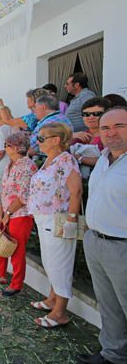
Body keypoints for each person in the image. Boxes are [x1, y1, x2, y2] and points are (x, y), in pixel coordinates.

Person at [77, 106, 127, 364]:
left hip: (122, 248)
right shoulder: (104, 159)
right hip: (96, 241)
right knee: (109, 307)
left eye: (120, 126)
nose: (112, 132)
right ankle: (113, 355)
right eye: (106, 127)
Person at [27, 123, 82, 328]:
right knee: (50, 262)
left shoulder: (66, 160)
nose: (37, 142)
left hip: (58, 218)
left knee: (60, 264)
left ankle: (60, 312)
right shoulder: (50, 160)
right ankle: (52, 299)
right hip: (44, 218)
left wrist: (71, 220)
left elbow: (76, 191)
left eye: (41, 138)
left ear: (56, 140)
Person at [0, 132, 37, 297]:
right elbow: (5, 189)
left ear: (15, 148)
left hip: (20, 214)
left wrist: (7, 212)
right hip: (8, 211)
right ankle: (0, 272)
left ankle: (16, 284)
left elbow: (23, 196)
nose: (4, 148)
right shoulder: (10, 163)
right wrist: (1, 210)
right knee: (2, 241)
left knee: (17, 249)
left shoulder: (27, 166)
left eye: (7, 145)